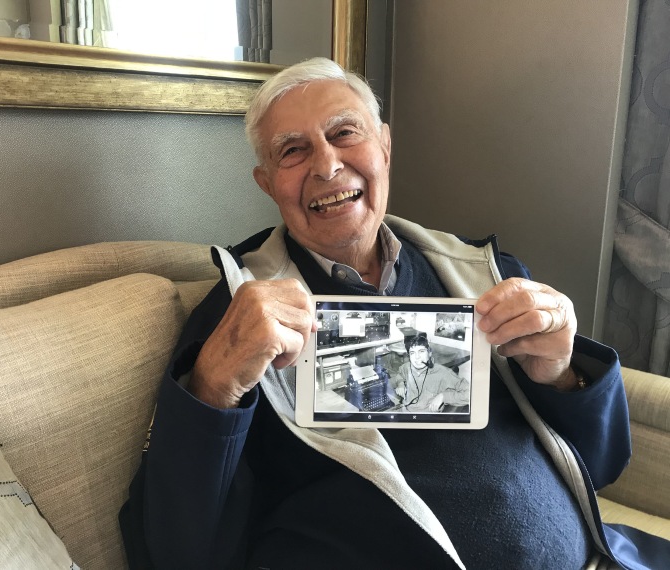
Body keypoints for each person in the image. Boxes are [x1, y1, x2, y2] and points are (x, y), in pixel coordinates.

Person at [119, 57, 669, 569]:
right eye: (293, 151)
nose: (327, 165)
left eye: (344, 133)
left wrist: (562, 373)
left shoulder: (482, 271)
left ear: (383, 146)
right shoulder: (238, 311)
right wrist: (212, 385)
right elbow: (174, 549)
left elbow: (602, 466)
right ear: (267, 183)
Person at [391, 335, 469, 412]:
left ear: (429, 353)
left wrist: (444, 396)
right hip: (404, 411)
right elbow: (400, 374)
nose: (417, 357)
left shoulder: (443, 373)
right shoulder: (407, 367)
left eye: (421, 351)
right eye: (412, 353)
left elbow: (470, 393)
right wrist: (400, 384)